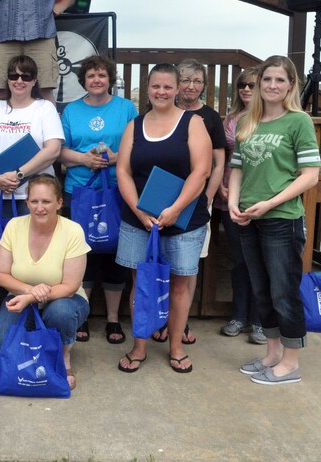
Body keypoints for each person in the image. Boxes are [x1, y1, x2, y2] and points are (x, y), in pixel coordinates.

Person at [114, 63, 212, 374]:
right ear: (148, 88)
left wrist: (175, 209)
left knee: (180, 286)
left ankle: (176, 346)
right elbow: (123, 171)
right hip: (139, 220)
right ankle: (139, 345)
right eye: (156, 86)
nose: (161, 91)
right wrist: (140, 211)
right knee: (140, 284)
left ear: (177, 89)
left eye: (168, 86)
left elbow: (202, 171)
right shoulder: (135, 125)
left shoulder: (193, 123)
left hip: (183, 220)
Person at [229, 55, 320, 385]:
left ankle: (291, 362)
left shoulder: (299, 122)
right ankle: (272, 353)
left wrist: (270, 202)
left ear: (291, 85)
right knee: (262, 289)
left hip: (282, 218)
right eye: (266, 80)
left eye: (280, 80)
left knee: (284, 291)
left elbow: (310, 175)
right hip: (249, 218)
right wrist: (232, 202)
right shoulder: (246, 123)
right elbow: (236, 168)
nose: (271, 86)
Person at [60, 55, 137, 344]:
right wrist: (83, 159)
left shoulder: (126, 108)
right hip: (78, 190)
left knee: (116, 252)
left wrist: (116, 157)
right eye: (91, 75)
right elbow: (59, 150)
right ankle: (82, 315)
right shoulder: (71, 110)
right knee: (83, 253)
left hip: (119, 189)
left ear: (110, 79)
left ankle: (113, 319)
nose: (96, 80)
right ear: (83, 80)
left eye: (102, 75)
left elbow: (136, 144)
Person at [0, 175, 89, 390]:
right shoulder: (14, 226)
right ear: (26, 202)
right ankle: (35, 348)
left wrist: (31, 297)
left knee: (60, 313)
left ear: (59, 203)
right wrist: (29, 291)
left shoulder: (73, 230)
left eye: (46, 201)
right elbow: (1, 274)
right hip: (20, 295)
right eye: (34, 201)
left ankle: (63, 357)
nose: (39, 207)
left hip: (65, 299)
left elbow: (70, 285)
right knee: (0, 341)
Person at [153, 59, 225, 345]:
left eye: (197, 81)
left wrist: (207, 195)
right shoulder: (157, 112)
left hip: (196, 201)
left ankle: (180, 325)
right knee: (162, 261)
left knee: (187, 266)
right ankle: (163, 321)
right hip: (162, 200)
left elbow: (218, 163)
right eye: (185, 80)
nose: (191, 86)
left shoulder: (209, 118)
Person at [0, 55, 63, 219]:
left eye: (26, 76)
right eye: (13, 76)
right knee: (6, 241)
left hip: (38, 196)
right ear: (8, 80)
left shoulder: (45, 108)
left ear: (34, 81)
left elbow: (53, 149)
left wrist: (19, 174)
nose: (19, 80)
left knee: (38, 243)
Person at [217, 68, 265, 344]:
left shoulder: (271, 119)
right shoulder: (231, 120)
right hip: (231, 197)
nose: (246, 90)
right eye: (241, 85)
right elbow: (222, 156)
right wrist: (221, 188)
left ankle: (260, 321)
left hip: (261, 197)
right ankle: (239, 316)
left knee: (260, 262)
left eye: (252, 85)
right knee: (239, 261)